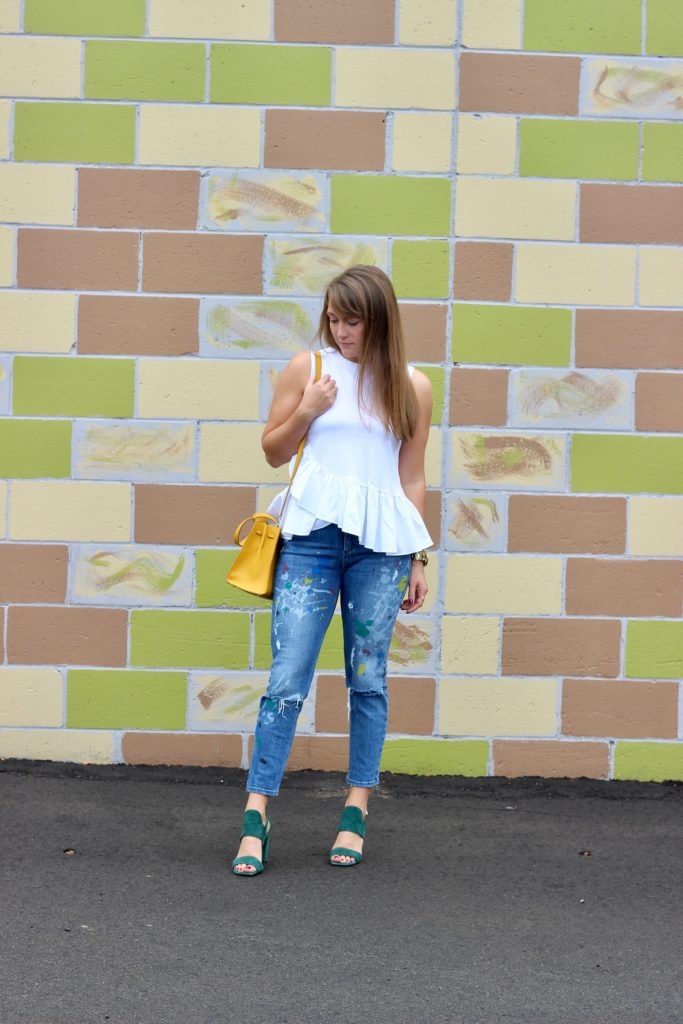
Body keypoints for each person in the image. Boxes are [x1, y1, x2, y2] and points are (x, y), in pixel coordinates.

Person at [231, 264, 433, 876]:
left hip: (382, 552)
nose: (341, 331)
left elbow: (412, 476)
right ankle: (256, 814)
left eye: (353, 320)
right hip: (311, 543)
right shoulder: (309, 370)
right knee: (287, 680)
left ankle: (356, 808)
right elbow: (272, 451)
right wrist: (308, 410)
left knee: (367, 680)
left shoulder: (413, 387)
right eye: (334, 319)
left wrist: (418, 556)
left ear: (380, 319)